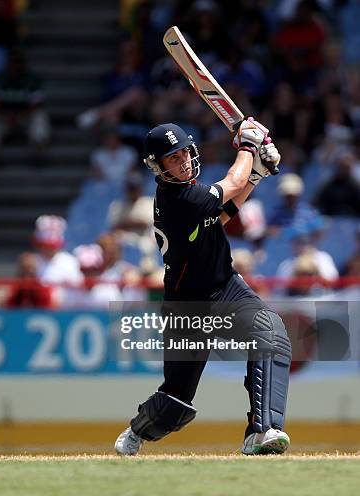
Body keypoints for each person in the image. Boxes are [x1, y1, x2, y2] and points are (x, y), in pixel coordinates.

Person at [114, 120, 293, 456]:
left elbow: (221, 215)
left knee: (271, 334)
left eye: (183, 153)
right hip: (188, 306)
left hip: (225, 288)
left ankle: (263, 430)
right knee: (176, 403)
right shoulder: (177, 199)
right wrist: (249, 147)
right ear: (158, 166)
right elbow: (233, 181)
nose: (182, 161)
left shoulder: (194, 198)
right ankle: (138, 429)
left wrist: (258, 174)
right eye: (172, 158)